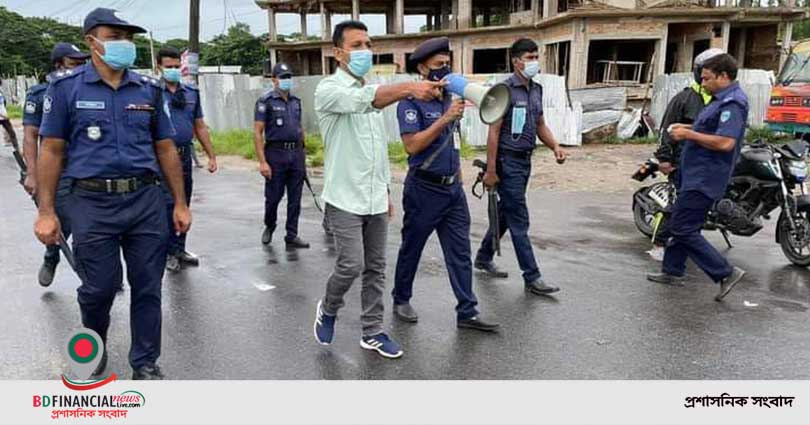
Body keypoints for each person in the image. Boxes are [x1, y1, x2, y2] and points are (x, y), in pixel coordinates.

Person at [34, 8, 191, 379]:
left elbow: (166, 148)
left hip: (145, 200)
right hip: (91, 203)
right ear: (92, 42)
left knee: (148, 286)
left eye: (129, 37)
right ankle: (95, 346)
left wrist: (180, 203)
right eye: (116, 36)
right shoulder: (66, 88)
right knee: (98, 289)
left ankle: (145, 363)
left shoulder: (148, 89)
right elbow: (51, 150)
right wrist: (46, 211)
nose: (125, 44)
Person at [312, 20, 444, 359]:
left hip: (373, 196)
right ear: (338, 53)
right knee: (350, 265)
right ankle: (328, 308)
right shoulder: (329, 90)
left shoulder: (374, 93)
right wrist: (409, 88)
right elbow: (363, 101)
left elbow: (376, 150)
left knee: (376, 267)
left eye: (368, 45)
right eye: (357, 45)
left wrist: (385, 192)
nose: (365, 52)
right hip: (343, 197)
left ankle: (372, 331)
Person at [391, 37, 499, 332]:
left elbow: (452, 145)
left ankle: (467, 311)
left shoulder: (449, 100)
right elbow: (412, 146)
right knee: (412, 246)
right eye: (438, 65)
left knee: (460, 251)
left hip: (452, 190)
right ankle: (401, 298)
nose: (444, 70)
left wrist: (460, 180)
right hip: (423, 189)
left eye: (447, 64)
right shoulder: (409, 103)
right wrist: (444, 120)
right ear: (423, 68)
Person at [646, 53, 748, 301]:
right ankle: (672, 270)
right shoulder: (717, 99)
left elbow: (725, 142)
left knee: (681, 226)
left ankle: (725, 272)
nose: (703, 83)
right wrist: (685, 128)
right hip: (694, 174)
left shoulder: (732, 103)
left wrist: (688, 136)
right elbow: (709, 130)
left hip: (705, 177)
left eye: (707, 78)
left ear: (723, 76)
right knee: (683, 223)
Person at [474, 38, 567, 296]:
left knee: (507, 212)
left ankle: (483, 257)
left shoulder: (536, 89)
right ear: (516, 61)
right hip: (507, 161)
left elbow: (540, 124)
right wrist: (491, 171)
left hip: (525, 160)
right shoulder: (503, 90)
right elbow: (493, 131)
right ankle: (532, 276)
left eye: (536, 56)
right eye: (529, 57)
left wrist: (555, 146)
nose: (534, 62)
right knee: (519, 219)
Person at [22, 42, 90, 287]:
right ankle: (51, 257)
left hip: (88, 167)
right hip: (57, 171)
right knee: (61, 221)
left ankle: (98, 275)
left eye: (83, 63)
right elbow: (30, 136)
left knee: (92, 224)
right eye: (74, 64)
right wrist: (32, 173)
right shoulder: (40, 94)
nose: (80, 68)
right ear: (59, 65)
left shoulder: (89, 91)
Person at [646, 48, 722, 262]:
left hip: (709, 165)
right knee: (678, 207)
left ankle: (685, 250)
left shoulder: (721, 102)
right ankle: (660, 243)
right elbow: (665, 130)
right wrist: (664, 159)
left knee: (695, 209)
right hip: (683, 164)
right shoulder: (684, 99)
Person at [156, 46, 218, 272]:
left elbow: (199, 126)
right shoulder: (152, 92)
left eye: (176, 67)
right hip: (160, 159)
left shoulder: (191, 93)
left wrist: (211, 154)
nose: (173, 70)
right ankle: (168, 252)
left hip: (183, 156)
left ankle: (180, 247)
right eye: (168, 67)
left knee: (184, 203)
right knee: (167, 206)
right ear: (158, 67)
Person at [254, 62, 309, 249]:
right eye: (283, 77)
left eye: (289, 77)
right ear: (274, 80)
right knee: (274, 197)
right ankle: (270, 225)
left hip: (296, 153)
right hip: (275, 154)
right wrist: (262, 162)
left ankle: (291, 235)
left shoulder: (296, 102)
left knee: (295, 198)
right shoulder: (265, 101)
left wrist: (304, 152)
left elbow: (300, 128)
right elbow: (257, 132)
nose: (287, 80)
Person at [0, 80, 18, 149]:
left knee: (12, 133)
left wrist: (5, 114)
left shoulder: (0, 93)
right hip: (3, 116)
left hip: (4, 117)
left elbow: (2, 105)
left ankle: (17, 150)